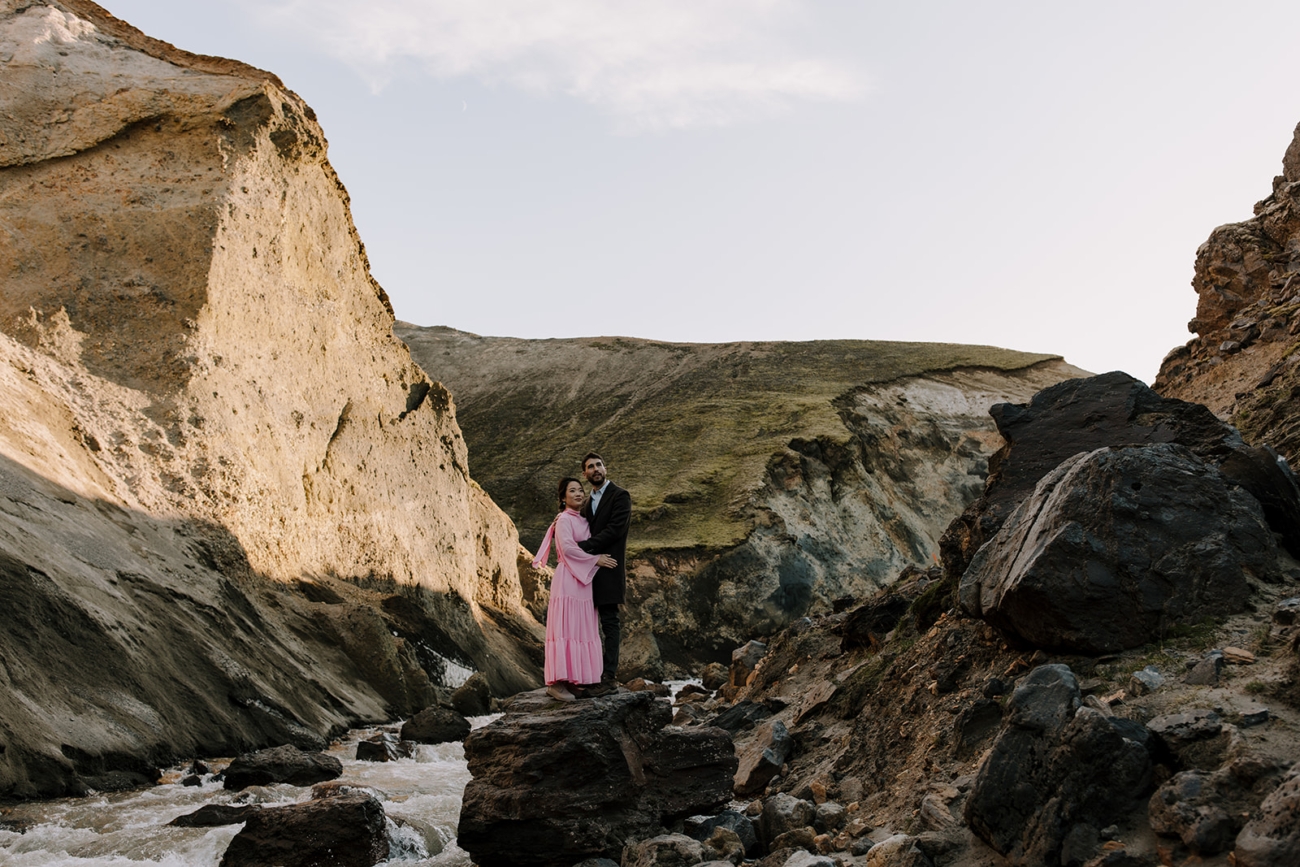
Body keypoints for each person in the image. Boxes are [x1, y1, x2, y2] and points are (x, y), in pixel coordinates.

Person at [532, 476, 617, 701]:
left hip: (584, 582)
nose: (579, 494)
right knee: (565, 627)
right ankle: (556, 683)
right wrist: (595, 560)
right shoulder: (563, 520)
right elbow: (568, 549)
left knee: (580, 628)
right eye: (572, 491)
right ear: (563, 497)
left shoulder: (583, 520)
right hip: (568, 579)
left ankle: (573, 680)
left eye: (580, 490)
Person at [575, 452, 631, 696]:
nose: (596, 469)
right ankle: (589, 673)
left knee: (610, 622)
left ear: (605, 468)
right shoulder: (586, 504)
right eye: (590, 467)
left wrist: (584, 547)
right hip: (588, 570)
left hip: (609, 567)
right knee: (587, 626)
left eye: (599, 464)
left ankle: (609, 676)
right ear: (585, 474)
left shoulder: (620, 496)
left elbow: (615, 530)